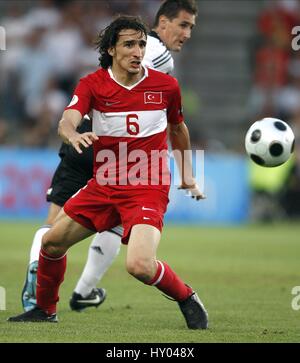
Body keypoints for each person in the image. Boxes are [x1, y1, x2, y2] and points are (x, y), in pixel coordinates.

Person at [9, 15, 208, 329]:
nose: (137, 51)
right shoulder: (93, 84)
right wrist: (72, 135)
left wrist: (186, 175)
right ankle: (45, 310)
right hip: (104, 184)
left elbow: (178, 129)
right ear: (111, 49)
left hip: (146, 184)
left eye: (141, 44)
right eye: (129, 44)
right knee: (51, 243)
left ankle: (186, 296)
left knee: (140, 265)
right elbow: (67, 121)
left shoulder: (165, 85)